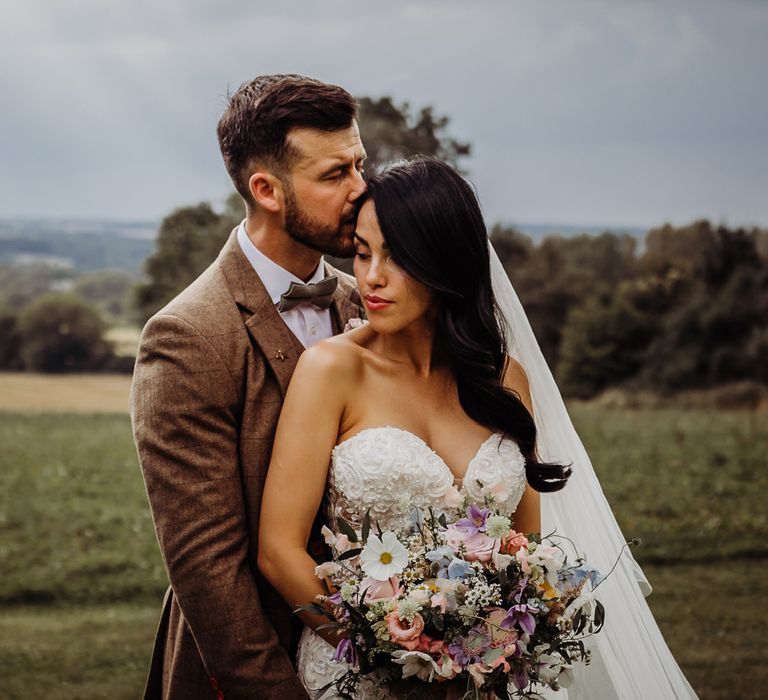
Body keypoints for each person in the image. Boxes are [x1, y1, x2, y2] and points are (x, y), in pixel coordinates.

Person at [258, 157, 699, 699]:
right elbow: (279, 552)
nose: (371, 276)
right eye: (363, 251)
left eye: (398, 257)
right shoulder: (332, 371)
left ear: (446, 262)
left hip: (490, 681)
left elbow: (527, 547)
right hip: (362, 677)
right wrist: (395, 657)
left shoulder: (505, 379)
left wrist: (490, 651)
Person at [130, 74, 367, 700]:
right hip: (255, 670)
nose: (360, 191)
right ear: (265, 189)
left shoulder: (365, 302)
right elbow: (207, 568)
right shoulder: (186, 336)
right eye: (334, 175)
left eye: (360, 165)